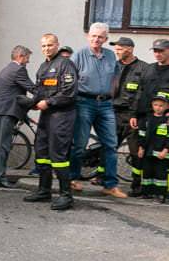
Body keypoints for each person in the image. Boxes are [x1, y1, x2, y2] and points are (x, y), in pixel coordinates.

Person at [68, 23, 127, 198]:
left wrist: (110, 94)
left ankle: (110, 184)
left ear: (106, 39)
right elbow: (70, 80)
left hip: (106, 105)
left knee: (111, 144)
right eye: (93, 36)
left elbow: (115, 77)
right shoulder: (79, 55)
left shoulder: (110, 55)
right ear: (88, 36)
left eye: (100, 37)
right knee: (80, 144)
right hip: (84, 102)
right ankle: (73, 178)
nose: (96, 39)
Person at [23, 34, 78, 210]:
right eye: (44, 46)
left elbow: (69, 92)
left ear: (57, 45)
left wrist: (48, 102)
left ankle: (66, 195)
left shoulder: (65, 64)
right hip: (46, 117)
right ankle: (44, 190)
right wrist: (30, 104)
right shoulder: (43, 66)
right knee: (42, 153)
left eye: (50, 45)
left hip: (62, 116)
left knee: (58, 156)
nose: (47, 48)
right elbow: (40, 92)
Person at [0, 46, 36, 188]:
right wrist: (48, 95)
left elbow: (15, 95)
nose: (28, 61)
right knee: (3, 146)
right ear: (20, 56)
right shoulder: (18, 70)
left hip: (2, 111)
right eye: (27, 58)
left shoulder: (7, 69)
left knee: (1, 145)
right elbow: (32, 88)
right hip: (7, 112)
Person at [109, 37, 149, 196]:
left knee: (135, 153)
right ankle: (105, 179)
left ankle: (137, 185)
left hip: (133, 117)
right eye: (116, 48)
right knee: (110, 148)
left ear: (130, 49)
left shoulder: (144, 68)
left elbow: (143, 94)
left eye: (120, 48)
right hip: (113, 113)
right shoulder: (113, 66)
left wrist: (135, 114)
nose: (116, 51)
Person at [132, 39, 169, 148]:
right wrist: (134, 114)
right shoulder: (149, 68)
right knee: (142, 148)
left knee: (161, 151)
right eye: (155, 51)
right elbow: (140, 92)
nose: (157, 54)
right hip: (145, 116)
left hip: (164, 118)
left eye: (161, 51)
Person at [136, 93, 169, 203]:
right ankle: (147, 192)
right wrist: (141, 148)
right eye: (155, 105)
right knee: (147, 173)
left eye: (161, 105)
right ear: (152, 105)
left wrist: (165, 150)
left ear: (166, 107)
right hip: (147, 152)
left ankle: (160, 195)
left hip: (161, 154)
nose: (158, 107)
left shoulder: (166, 121)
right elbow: (141, 134)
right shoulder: (146, 120)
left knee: (160, 175)